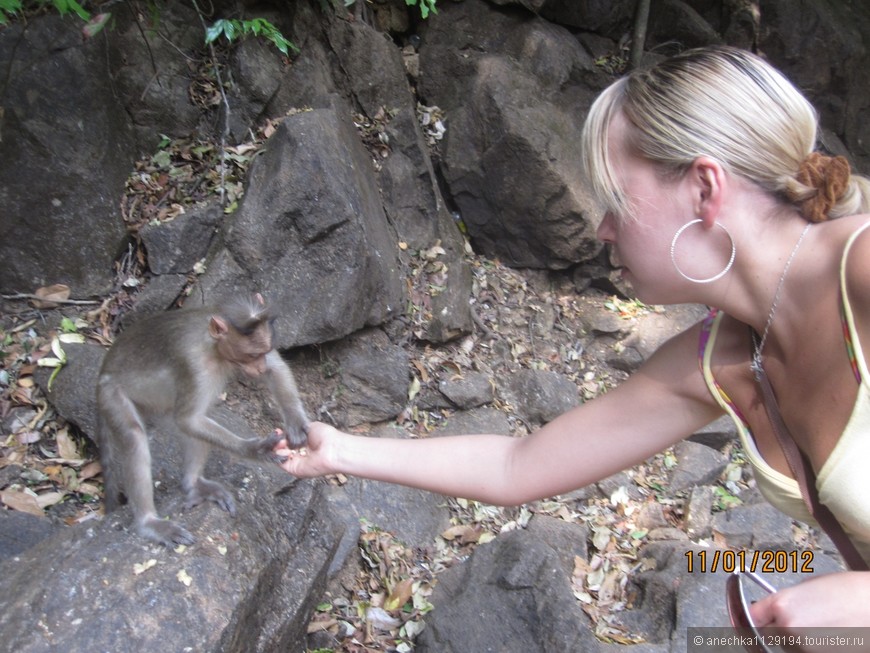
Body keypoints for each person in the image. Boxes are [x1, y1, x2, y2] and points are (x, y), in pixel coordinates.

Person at [278, 46, 870, 627]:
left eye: (615, 199)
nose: (603, 228)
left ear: (705, 190)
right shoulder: (721, 359)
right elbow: (518, 466)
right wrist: (341, 451)